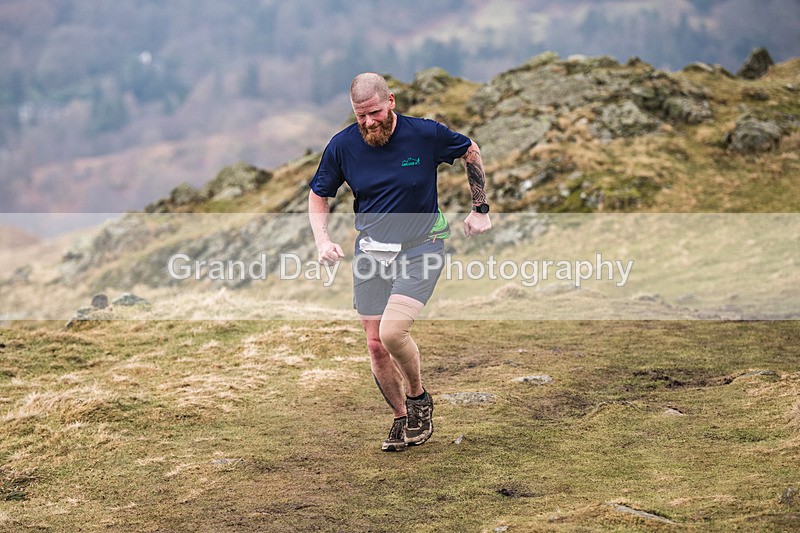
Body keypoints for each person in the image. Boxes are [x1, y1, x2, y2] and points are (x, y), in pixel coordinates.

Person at [308, 72, 491, 451]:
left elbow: (469, 149)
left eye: (374, 112)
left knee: (393, 334)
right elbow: (318, 193)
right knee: (375, 346)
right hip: (372, 252)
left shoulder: (425, 134)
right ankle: (400, 417)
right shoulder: (342, 146)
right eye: (360, 117)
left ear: (390, 100)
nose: (369, 122)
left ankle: (419, 399)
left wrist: (480, 208)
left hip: (422, 247)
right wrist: (322, 240)